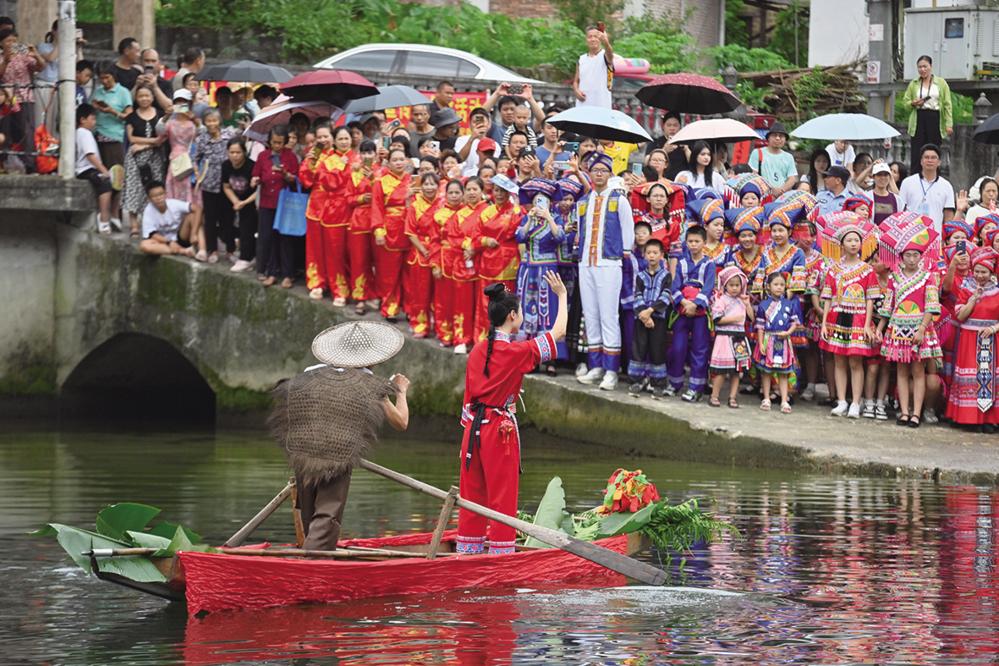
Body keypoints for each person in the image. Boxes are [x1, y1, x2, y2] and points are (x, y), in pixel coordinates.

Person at [271, 322, 410, 551]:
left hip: (302, 453)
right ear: (371, 358)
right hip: (338, 453)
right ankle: (315, 563)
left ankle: (310, 554)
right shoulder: (369, 383)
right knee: (327, 514)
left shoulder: (310, 373)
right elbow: (401, 422)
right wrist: (401, 392)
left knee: (309, 512)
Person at [456, 274, 567, 555]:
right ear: (512, 316)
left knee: (471, 495)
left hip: (472, 431)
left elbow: (468, 399)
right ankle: (501, 555)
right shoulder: (515, 352)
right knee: (502, 496)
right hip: (498, 431)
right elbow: (558, 333)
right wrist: (562, 296)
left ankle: (466, 553)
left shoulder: (477, 350)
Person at [574, 153, 634, 390]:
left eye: (603, 170)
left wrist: (623, 254)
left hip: (609, 262)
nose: (599, 174)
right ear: (589, 173)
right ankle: (596, 366)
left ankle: (611, 370)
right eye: (595, 170)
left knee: (609, 316)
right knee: (590, 315)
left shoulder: (619, 200)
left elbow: (628, 231)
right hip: (585, 263)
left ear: (610, 174)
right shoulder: (583, 201)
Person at [877, 219, 941, 427]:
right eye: (908, 255)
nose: (912, 259)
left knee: (918, 371)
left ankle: (916, 413)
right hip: (897, 329)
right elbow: (888, 306)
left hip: (919, 328)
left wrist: (922, 329)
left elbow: (931, 306)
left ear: (921, 257)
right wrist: (880, 328)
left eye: (915, 255)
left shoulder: (928, 277)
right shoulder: (894, 278)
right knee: (902, 371)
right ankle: (905, 412)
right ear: (901, 257)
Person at [819, 213, 880, 418]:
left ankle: (855, 402)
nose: (853, 244)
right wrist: (824, 323)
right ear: (842, 244)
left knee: (855, 361)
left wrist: (867, 324)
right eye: (849, 240)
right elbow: (827, 297)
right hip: (837, 317)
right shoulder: (833, 269)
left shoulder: (867, 270)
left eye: (856, 240)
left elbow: (870, 299)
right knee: (839, 360)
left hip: (859, 318)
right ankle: (842, 400)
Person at [945, 247, 999, 431]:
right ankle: (968, 418)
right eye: (976, 271)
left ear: (991, 272)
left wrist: (993, 328)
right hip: (969, 339)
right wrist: (972, 300)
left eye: (984, 272)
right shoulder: (966, 289)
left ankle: (988, 419)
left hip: (991, 339)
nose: (979, 275)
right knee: (971, 378)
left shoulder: (997, 291)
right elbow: (960, 316)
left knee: (988, 379)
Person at [515, 177, 565, 371]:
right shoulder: (527, 219)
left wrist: (549, 218)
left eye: (543, 200)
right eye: (537, 200)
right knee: (528, 310)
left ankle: (550, 359)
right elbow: (519, 237)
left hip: (547, 270)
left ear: (550, 203)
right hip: (528, 270)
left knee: (548, 312)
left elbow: (559, 237)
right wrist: (529, 219)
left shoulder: (556, 218)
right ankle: (531, 357)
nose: (540, 204)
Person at [300, 125, 353, 303]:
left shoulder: (343, 156)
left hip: (339, 208)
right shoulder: (314, 155)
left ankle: (339, 287)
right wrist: (310, 162)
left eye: (326, 136)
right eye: (319, 137)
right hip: (316, 206)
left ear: (333, 137)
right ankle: (317, 282)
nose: (323, 140)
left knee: (337, 251)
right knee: (315, 248)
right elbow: (305, 181)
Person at [473, 175, 525, 342]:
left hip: (508, 263)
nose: (500, 194)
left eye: (503, 191)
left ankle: (503, 339)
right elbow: (475, 237)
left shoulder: (517, 212)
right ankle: (483, 339)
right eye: (496, 190)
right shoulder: (486, 212)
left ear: (509, 192)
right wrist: (486, 240)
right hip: (488, 262)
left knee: (506, 303)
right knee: (485, 303)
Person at [667, 225, 716, 401]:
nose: (693, 244)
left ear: (704, 242)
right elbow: (675, 286)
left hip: (700, 314)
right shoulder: (681, 263)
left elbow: (708, 287)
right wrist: (684, 302)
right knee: (678, 347)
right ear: (686, 243)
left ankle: (696, 387)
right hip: (682, 311)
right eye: (690, 241)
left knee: (699, 349)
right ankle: (674, 384)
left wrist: (695, 304)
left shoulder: (709, 264)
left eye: (697, 241)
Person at [250, 125, 299, 289]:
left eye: (280, 143)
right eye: (274, 142)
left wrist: (285, 174)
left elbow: (295, 179)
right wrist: (256, 180)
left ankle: (288, 274)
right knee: (268, 237)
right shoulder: (263, 156)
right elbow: (256, 174)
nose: (277, 146)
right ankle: (271, 272)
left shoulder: (290, 157)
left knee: (285, 238)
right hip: (266, 202)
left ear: (285, 142)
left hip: (284, 203)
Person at [370, 147, 413, 321]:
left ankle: (410, 309)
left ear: (407, 161)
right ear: (388, 163)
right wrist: (378, 230)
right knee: (390, 273)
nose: (399, 163)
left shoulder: (413, 180)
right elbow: (377, 207)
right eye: (395, 160)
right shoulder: (381, 182)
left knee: (409, 273)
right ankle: (390, 308)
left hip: (410, 230)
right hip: (390, 230)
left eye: (401, 159)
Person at [626, 239, 671, 397]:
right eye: (649, 253)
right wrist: (644, 316)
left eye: (655, 253)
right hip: (642, 319)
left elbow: (666, 296)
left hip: (658, 319)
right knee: (639, 348)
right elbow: (637, 295)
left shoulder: (666, 276)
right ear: (644, 255)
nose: (652, 256)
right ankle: (636, 381)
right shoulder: (640, 276)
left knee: (657, 349)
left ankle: (657, 383)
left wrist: (651, 311)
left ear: (661, 255)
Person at [91, 61, 134, 229]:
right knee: (101, 178)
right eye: (101, 78)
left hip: (115, 138)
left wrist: (112, 111)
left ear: (113, 76)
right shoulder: (98, 91)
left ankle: (115, 214)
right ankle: (103, 213)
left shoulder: (123, 92)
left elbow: (129, 116)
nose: (105, 81)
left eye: (107, 78)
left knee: (117, 177)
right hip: (98, 137)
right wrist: (96, 108)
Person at [194, 108, 236, 263]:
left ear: (219, 121)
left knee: (229, 218)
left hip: (228, 184)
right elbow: (195, 159)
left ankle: (230, 250)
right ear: (204, 122)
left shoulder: (229, 135)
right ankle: (212, 250)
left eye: (214, 120)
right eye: (209, 121)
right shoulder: (201, 139)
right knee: (210, 219)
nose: (212, 124)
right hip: (209, 185)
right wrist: (198, 175)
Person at [755, 273, 801, 414]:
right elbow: (760, 327)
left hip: (783, 341)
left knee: (783, 373)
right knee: (766, 372)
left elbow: (794, 323)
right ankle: (766, 398)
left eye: (782, 285)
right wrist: (761, 343)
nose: (779, 287)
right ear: (768, 286)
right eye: (776, 284)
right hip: (768, 340)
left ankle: (784, 400)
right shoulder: (763, 305)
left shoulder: (789, 304)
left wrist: (788, 333)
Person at [123, 85, 165, 238]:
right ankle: (134, 226)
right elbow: (131, 138)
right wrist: (153, 141)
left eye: (147, 95)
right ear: (136, 98)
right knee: (133, 189)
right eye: (141, 96)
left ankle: (152, 225)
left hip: (155, 158)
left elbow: (162, 138)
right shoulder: (131, 117)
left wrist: (145, 145)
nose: (144, 98)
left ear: (152, 97)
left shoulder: (160, 115)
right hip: (134, 158)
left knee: (154, 189)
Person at [404, 172, 442, 338]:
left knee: (439, 294)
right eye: (426, 184)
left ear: (438, 186)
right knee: (420, 292)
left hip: (439, 252)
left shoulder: (443, 204)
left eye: (432, 184)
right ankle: (420, 324)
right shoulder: (415, 205)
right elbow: (410, 232)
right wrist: (423, 249)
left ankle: (440, 327)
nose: (429, 187)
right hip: (420, 253)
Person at [903, 55, 953, 175]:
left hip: (935, 117)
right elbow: (905, 103)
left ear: (931, 67)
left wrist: (949, 124)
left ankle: (934, 176)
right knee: (917, 151)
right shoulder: (914, 83)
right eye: (920, 67)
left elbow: (947, 104)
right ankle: (916, 176)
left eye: (925, 66)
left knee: (934, 149)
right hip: (919, 117)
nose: (922, 69)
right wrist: (913, 103)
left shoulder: (941, 83)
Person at [710, 266, 752, 408]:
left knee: (737, 371)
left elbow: (751, 318)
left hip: (739, 338)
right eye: (731, 285)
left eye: (737, 285)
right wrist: (735, 319)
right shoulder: (721, 300)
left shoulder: (742, 300)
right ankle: (714, 396)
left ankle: (732, 397)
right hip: (724, 337)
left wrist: (747, 305)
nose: (734, 288)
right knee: (721, 370)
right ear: (725, 285)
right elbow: (717, 319)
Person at [346, 140, 381, 314]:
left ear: (375, 154)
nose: (367, 156)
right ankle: (360, 297)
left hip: (377, 221)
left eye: (370, 152)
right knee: (359, 261)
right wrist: (361, 198)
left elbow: (386, 195)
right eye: (364, 153)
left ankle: (375, 294)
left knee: (377, 261)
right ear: (359, 155)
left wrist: (373, 180)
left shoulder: (381, 172)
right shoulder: (354, 173)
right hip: (359, 221)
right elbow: (348, 198)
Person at [433, 179, 466, 346]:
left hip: (463, 261)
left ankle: (460, 335)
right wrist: (435, 264)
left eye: (457, 192)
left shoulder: (467, 214)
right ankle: (445, 334)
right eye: (451, 193)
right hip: (444, 260)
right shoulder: (438, 215)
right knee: (443, 300)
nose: (454, 196)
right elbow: (434, 242)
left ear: (463, 194)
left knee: (461, 301)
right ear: (445, 195)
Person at [163, 89, 200, 233]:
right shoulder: (170, 123)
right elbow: (159, 133)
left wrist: (196, 121)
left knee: (190, 192)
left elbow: (202, 137)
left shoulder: (194, 122)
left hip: (190, 161)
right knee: (173, 192)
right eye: (178, 102)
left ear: (189, 104)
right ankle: (174, 227)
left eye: (184, 102)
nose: (181, 105)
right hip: (175, 162)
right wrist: (165, 116)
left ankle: (188, 227)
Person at [898, 144, 955, 235]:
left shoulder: (946, 186)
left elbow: (948, 216)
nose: (930, 160)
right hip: (910, 235)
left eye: (933, 158)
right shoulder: (907, 182)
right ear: (921, 161)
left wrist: (946, 237)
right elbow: (900, 211)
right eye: (926, 157)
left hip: (935, 236)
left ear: (939, 162)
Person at [137, 180, 204, 257]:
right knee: (144, 245)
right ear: (149, 199)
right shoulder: (148, 210)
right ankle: (184, 251)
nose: (159, 198)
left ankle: (202, 250)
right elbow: (152, 234)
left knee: (192, 216)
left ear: (165, 194)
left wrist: (193, 234)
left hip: (181, 236)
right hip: (163, 241)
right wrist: (169, 242)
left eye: (161, 194)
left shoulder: (173, 203)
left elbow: (197, 209)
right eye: (154, 196)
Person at [75, 103, 113, 233]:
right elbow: (90, 155)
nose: (94, 122)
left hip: (85, 169)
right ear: (83, 119)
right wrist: (104, 171)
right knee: (105, 184)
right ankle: (104, 219)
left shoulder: (81, 133)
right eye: (93, 118)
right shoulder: (84, 133)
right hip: (86, 169)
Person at [221, 138, 257, 272]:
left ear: (244, 152)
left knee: (247, 227)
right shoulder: (226, 165)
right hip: (235, 199)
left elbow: (259, 190)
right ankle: (236, 251)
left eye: (238, 152)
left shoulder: (251, 166)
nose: (235, 156)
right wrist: (235, 201)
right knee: (229, 223)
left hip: (252, 200)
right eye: (232, 152)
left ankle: (246, 258)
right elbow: (226, 186)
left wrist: (244, 202)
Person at [748, 123, 797, 196]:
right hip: (763, 194)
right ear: (768, 138)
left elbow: (792, 178)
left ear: (785, 140)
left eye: (781, 136)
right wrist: (770, 190)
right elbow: (754, 175)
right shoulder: (757, 153)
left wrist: (781, 190)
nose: (778, 138)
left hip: (782, 196)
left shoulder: (788, 157)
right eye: (774, 135)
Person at [573, 24, 614, 109]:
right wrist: (576, 90)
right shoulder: (581, 59)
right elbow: (576, 81)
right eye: (590, 37)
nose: (593, 39)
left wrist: (606, 42)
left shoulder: (604, 55)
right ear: (586, 40)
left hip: (601, 104)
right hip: (583, 104)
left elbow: (610, 55)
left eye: (596, 36)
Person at [135, 49, 176, 114]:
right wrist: (136, 86)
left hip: (159, 118)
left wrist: (155, 87)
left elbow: (169, 107)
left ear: (159, 63)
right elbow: (125, 103)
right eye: (147, 60)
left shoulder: (165, 83)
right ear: (141, 62)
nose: (150, 64)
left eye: (153, 61)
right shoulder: (135, 79)